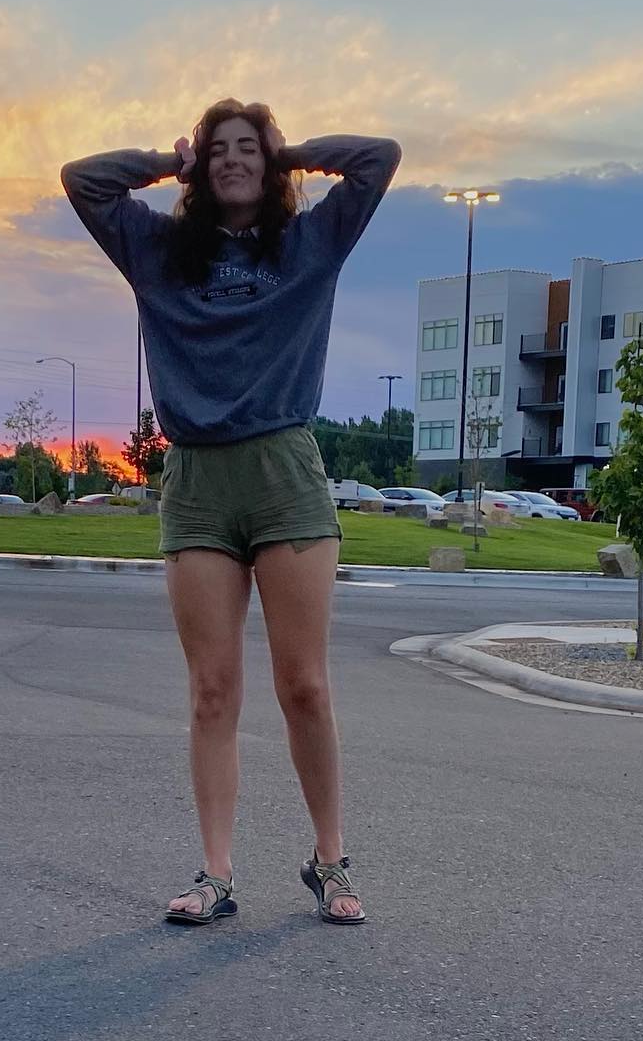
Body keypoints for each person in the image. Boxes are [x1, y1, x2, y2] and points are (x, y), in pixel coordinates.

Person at [61, 100, 401, 926]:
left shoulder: (310, 244)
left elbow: (379, 158)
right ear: (201, 169)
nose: (235, 161)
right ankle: (215, 874)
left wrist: (294, 154)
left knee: (304, 685)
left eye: (249, 148)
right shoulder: (157, 250)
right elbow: (83, 181)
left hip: (285, 471)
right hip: (198, 480)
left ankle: (331, 861)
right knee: (212, 690)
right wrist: (163, 162)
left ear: (268, 161)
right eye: (219, 150)